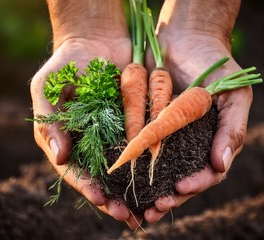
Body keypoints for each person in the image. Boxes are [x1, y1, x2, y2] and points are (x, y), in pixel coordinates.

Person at [31, 0, 251, 229]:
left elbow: (161, 122)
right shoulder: (129, 81)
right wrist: (82, 32)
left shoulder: (190, 94)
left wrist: (201, 28)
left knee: (159, 121)